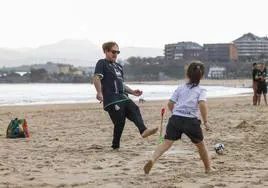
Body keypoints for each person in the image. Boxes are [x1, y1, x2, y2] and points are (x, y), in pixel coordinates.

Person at [143, 61, 214, 174]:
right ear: (202, 76)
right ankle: (208, 168)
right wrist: (205, 121)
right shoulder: (201, 90)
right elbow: (202, 104)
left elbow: (170, 103)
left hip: (175, 118)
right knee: (201, 145)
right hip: (191, 120)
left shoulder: (180, 88)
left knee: (166, 143)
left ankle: (153, 159)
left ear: (187, 74)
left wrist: (175, 113)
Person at [93, 41, 158, 150]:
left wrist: (132, 92)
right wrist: (99, 92)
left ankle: (143, 130)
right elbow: (96, 78)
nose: (115, 54)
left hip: (122, 96)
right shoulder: (102, 63)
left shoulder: (119, 67)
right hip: (111, 99)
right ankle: (115, 145)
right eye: (113, 51)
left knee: (134, 108)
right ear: (106, 51)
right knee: (120, 122)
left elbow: (121, 84)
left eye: (117, 52)